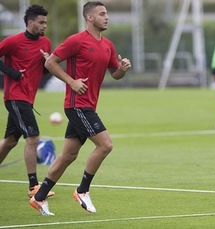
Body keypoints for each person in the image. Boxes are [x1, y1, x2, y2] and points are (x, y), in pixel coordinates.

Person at [29, 1, 131, 216]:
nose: (107, 17)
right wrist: (71, 82)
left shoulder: (108, 45)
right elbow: (51, 63)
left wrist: (122, 69)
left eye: (107, 14)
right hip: (77, 106)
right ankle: (82, 190)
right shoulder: (76, 40)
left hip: (88, 105)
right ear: (90, 18)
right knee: (105, 145)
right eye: (102, 14)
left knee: (68, 155)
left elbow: (115, 74)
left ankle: (39, 198)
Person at [0, 4, 55, 198]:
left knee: (10, 142)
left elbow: (45, 70)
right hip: (15, 96)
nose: (44, 26)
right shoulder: (13, 41)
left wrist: (48, 62)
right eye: (41, 22)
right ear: (30, 22)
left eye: (45, 23)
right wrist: (12, 73)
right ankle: (33, 186)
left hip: (28, 98)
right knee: (32, 138)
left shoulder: (46, 43)